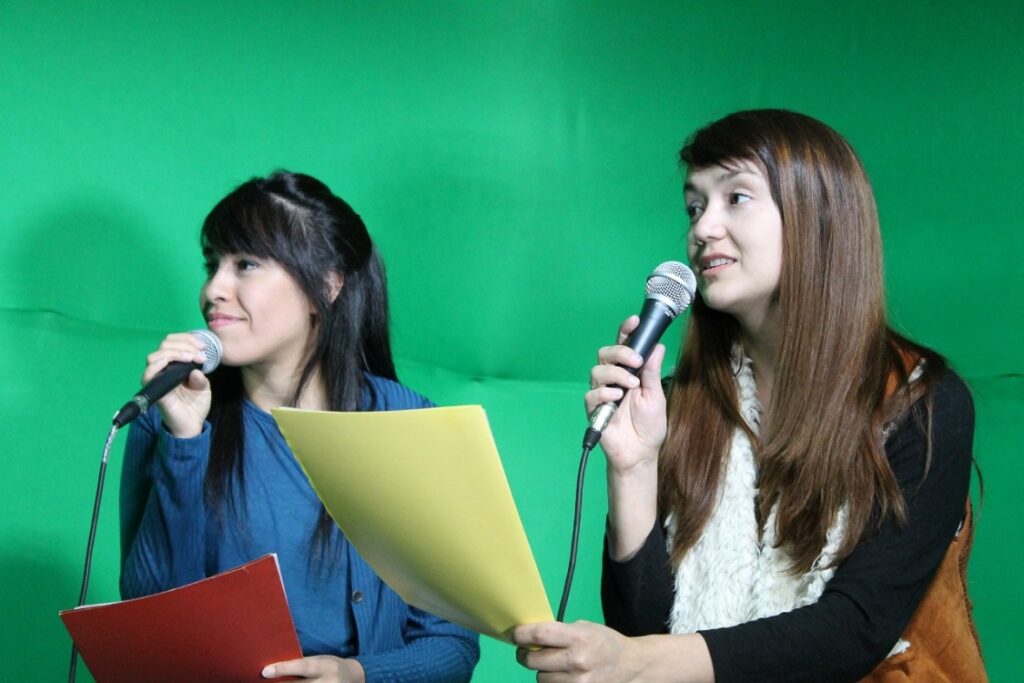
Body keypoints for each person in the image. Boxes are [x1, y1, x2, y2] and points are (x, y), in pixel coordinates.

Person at [512, 110, 985, 682]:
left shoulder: (922, 404)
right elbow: (648, 636)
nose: (703, 229)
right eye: (694, 207)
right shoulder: (677, 404)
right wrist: (633, 466)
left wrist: (631, 661)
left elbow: (855, 629)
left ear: (817, 217)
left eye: (735, 197)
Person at [120, 171, 480, 682]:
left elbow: (451, 646)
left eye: (246, 264)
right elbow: (149, 626)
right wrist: (183, 441)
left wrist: (357, 675)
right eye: (212, 264)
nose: (214, 289)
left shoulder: (411, 424)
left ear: (326, 286)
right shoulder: (169, 418)